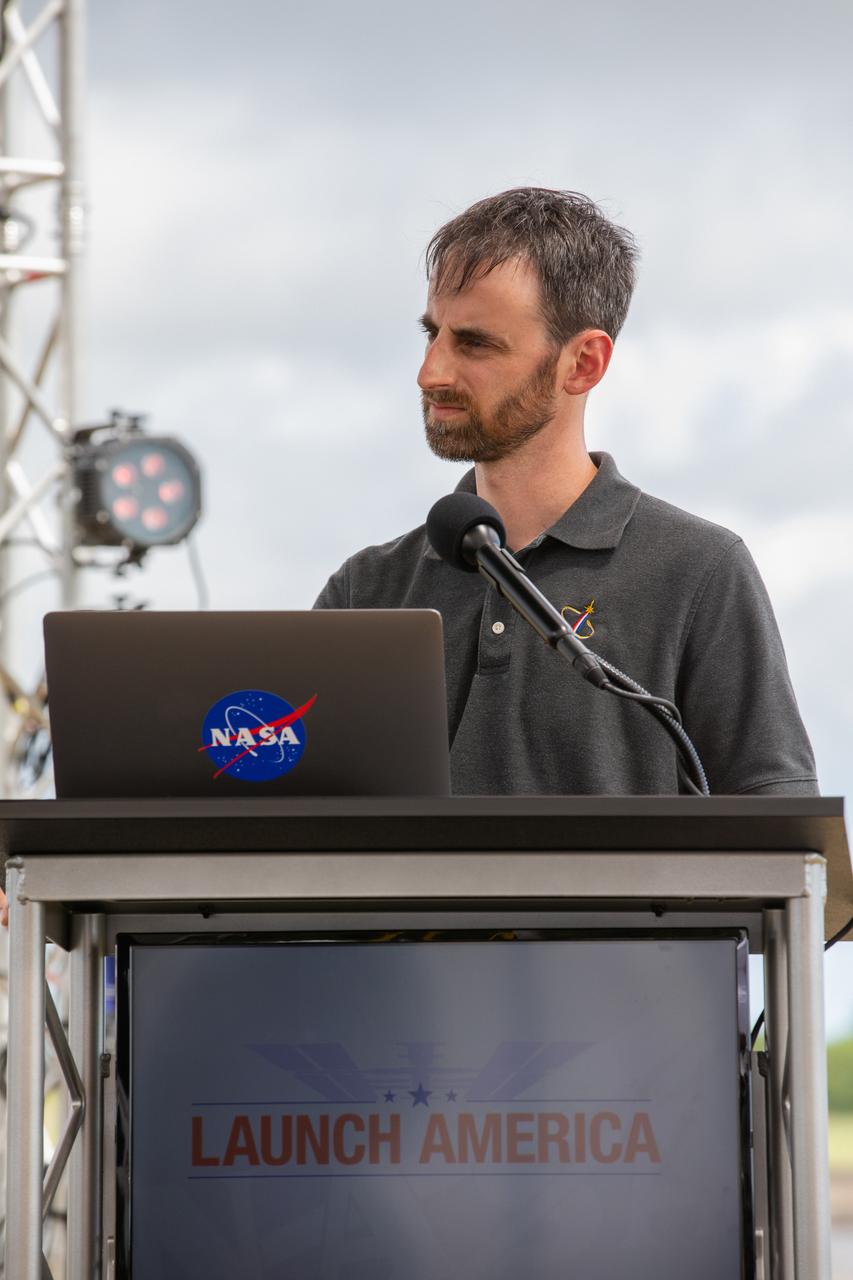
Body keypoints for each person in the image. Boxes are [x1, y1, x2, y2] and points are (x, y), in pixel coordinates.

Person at [315, 187, 817, 796]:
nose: (431, 372)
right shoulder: (367, 589)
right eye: (432, 335)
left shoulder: (698, 571)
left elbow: (781, 837)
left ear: (583, 363)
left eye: (474, 343)